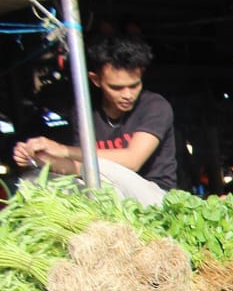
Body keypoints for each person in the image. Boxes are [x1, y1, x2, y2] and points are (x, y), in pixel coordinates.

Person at [13, 35, 178, 191]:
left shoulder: (155, 106)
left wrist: (62, 150)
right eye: (116, 88)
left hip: (152, 193)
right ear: (95, 80)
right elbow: (82, 168)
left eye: (134, 86)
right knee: (31, 179)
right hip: (105, 188)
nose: (127, 95)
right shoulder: (85, 111)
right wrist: (41, 159)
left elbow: (132, 161)